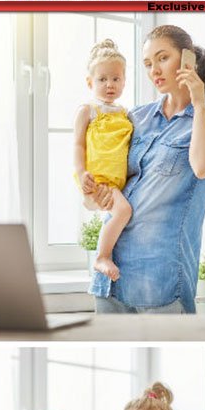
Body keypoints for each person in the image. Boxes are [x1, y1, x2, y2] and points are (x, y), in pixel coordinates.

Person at [85, 25, 205, 315]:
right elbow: (101, 190)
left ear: (187, 59)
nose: (155, 70)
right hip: (110, 278)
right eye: (148, 64)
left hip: (161, 281)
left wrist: (199, 103)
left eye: (162, 58)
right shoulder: (135, 117)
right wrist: (96, 194)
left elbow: (203, 168)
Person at [74, 38, 133, 282]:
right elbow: (78, 144)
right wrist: (81, 173)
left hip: (116, 180)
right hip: (97, 179)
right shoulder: (88, 110)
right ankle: (102, 256)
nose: (110, 85)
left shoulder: (124, 113)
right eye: (102, 79)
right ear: (90, 82)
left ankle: (106, 253)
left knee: (119, 213)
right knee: (123, 211)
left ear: (124, 81)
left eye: (116, 79)